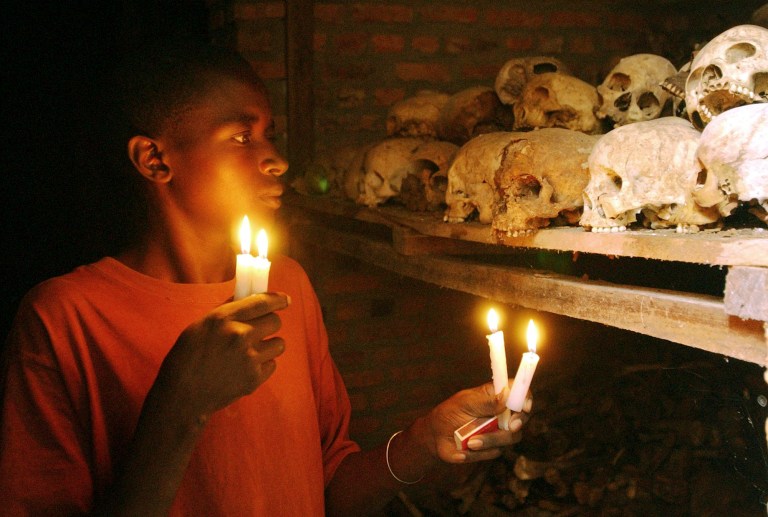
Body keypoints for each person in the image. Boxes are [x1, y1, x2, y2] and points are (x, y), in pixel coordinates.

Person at [0, 41, 531, 516]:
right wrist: (182, 406)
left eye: (270, 136)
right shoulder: (63, 319)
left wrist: (422, 440)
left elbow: (329, 490)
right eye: (240, 136)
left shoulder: (288, 287)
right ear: (155, 159)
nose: (275, 160)